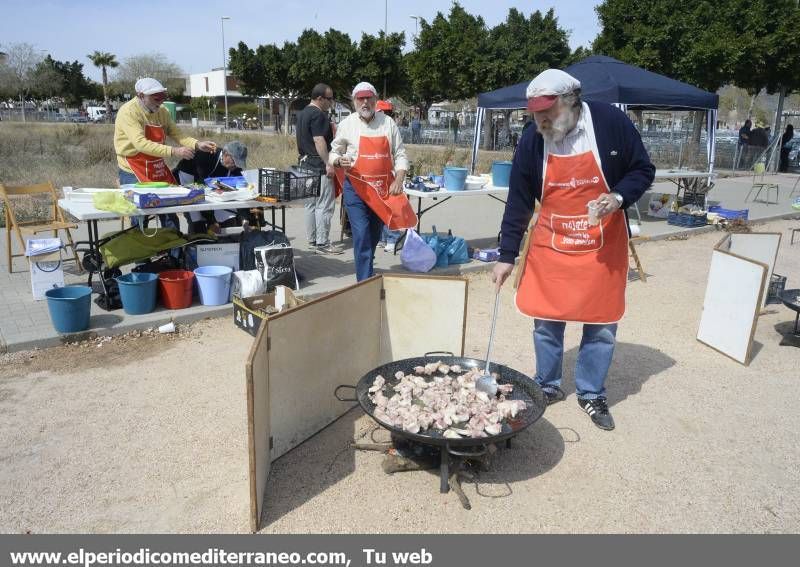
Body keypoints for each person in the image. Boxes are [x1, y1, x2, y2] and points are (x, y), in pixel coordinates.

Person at [491, 69, 655, 431]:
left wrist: (617, 197)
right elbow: (518, 199)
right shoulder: (533, 141)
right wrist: (506, 254)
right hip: (553, 243)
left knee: (601, 324)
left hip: (601, 243)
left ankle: (591, 392)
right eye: (535, 114)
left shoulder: (610, 122)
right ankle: (547, 384)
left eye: (548, 112)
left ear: (571, 102)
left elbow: (642, 169)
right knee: (546, 322)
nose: (541, 121)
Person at [329, 82, 416, 281]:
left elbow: (400, 153)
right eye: (361, 98)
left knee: (375, 235)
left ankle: (367, 267)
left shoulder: (388, 123)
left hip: (382, 191)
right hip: (356, 189)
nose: (365, 102)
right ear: (354, 101)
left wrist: (399, 178)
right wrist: (338, 160)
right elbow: (334, 152)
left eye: (369, 98)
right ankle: (364, 282)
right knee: (361, 234)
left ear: (375, 100)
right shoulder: (347, 124)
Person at [114, 77, 215, 230]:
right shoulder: (128, 112)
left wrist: (197, 144)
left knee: (169, 214)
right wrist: (174, 151)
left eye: (162, 98)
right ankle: (143, 252)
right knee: (140, 216)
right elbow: (140, 144)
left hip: (156, 167)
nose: (160, 102)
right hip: (133, 169)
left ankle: (173, 252)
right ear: (141, 96)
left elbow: (178, 135)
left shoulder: (163, 111)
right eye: (156, 98)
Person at [296, 83, 342, 255]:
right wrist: (328, 163)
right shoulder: (319, 115)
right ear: (320, 98)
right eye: (329, 99)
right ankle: (322, 243)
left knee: (310, 205)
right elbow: (319, 140)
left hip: (304, 164)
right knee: (324, 205)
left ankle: (313, 241)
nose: (331, 102)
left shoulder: (303, 113)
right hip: (318, 165)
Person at [173, 141, 251, 234]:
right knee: (197, 220)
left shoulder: (234, 167)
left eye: (239, 163)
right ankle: (194, 245)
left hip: (207, 183)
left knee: (227, 215)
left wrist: (244, 218)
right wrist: (211, 221)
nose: (236, 165)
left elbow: (240, 191)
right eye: (235, 161)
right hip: (188, 180)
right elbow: (202, 189)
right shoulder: (206, 156)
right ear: (226, 154)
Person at [376, 100, 405, 253]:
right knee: (387, 208)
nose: (387, 115)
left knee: (385, 207)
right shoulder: (379, 127)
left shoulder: (389, 126)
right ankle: (390, 238)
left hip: (388, 173)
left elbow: (398, 152)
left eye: (388, 112)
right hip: (383, 175)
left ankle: (385, 238)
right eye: (384, 112)